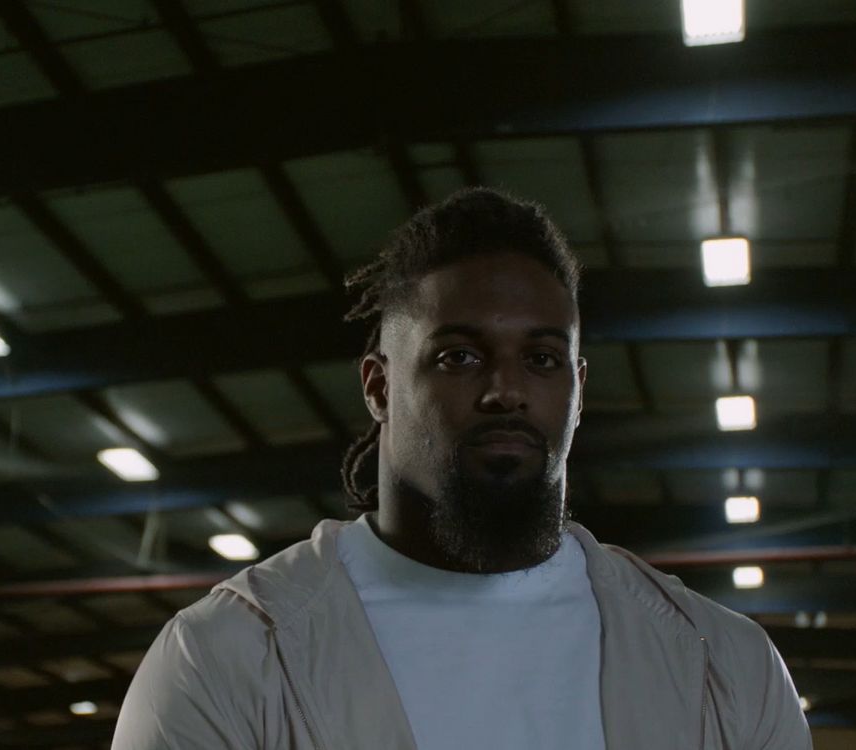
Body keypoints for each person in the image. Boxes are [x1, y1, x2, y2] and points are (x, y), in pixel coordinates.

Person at [112, 187, 811, 749]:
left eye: (541, 359)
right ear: (378, 385)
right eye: (458, 356)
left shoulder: (724, 665)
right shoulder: (225, 662)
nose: (506, 389)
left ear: (578, 391)